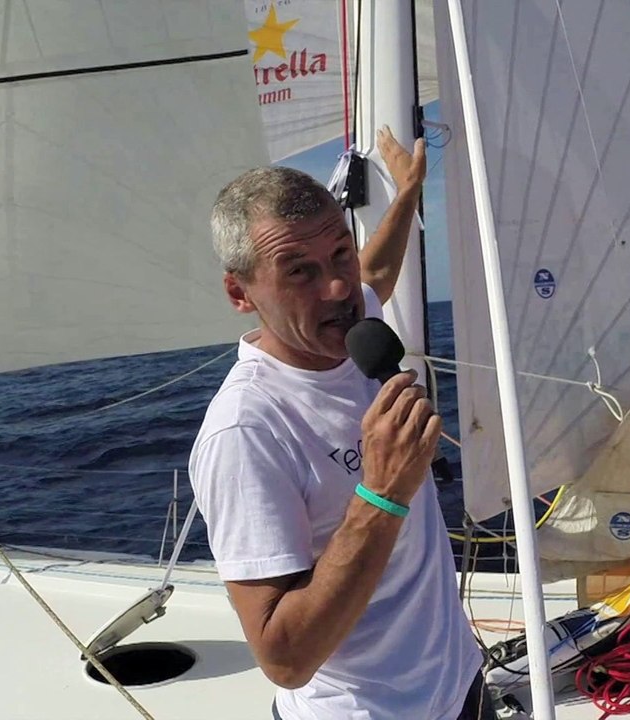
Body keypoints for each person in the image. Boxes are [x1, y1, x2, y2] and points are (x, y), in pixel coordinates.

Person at [189, 127, 494, 720]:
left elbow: (375, 272)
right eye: (298, 271)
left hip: (458, 685)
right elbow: (285, 659)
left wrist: (409, 193)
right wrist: (382, 493)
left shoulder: (350, 329)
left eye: (339, 254)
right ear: (240, 292)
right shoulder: (247, 431)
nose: (337, 288)